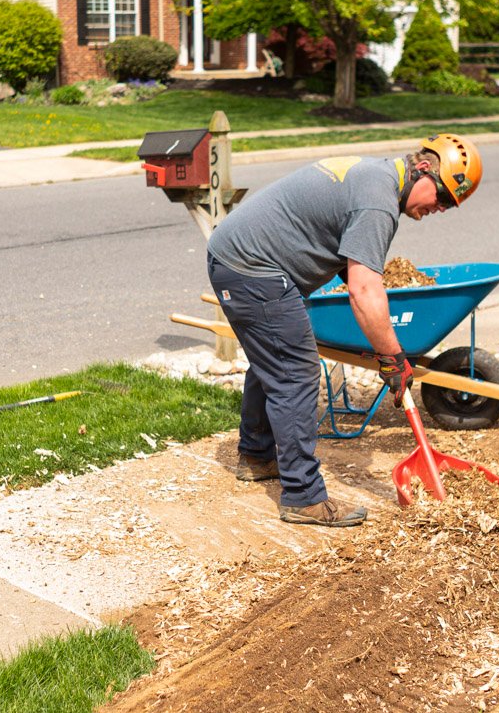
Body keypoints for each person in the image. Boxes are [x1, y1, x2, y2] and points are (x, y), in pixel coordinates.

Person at [205, 134, 483, 527]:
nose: (439, 208)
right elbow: (364, 289)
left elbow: (344, 252)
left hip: (237, 257)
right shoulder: (378, 202)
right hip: (252, 267)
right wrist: (392, 356)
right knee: (295, 372)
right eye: (442, 197)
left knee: (276, 359)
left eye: (449, 206)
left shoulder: (377, 177)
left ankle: (257, 455)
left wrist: (386, 343)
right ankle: (303, 497)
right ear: (423, 169)